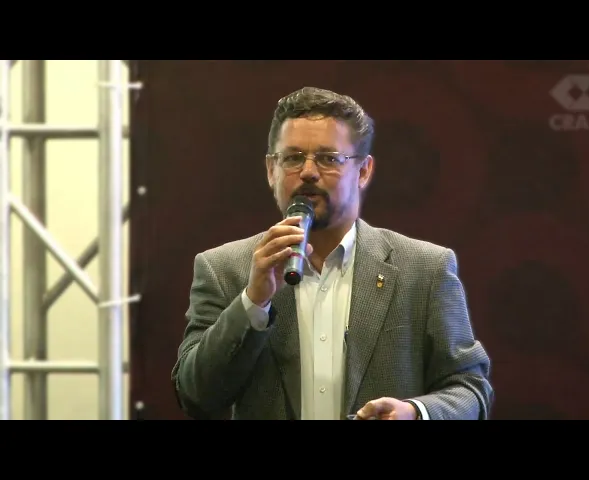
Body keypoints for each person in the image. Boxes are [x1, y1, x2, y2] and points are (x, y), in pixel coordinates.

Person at [171, 86, 494, 420]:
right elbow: (196, 396)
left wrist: (416, 412)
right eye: (293, 158)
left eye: (328, 158)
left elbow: (470, 389)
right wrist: (253, 302)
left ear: (363, 171)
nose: (308, 172)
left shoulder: (425, 269)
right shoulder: (223, 269)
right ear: (271, 170)